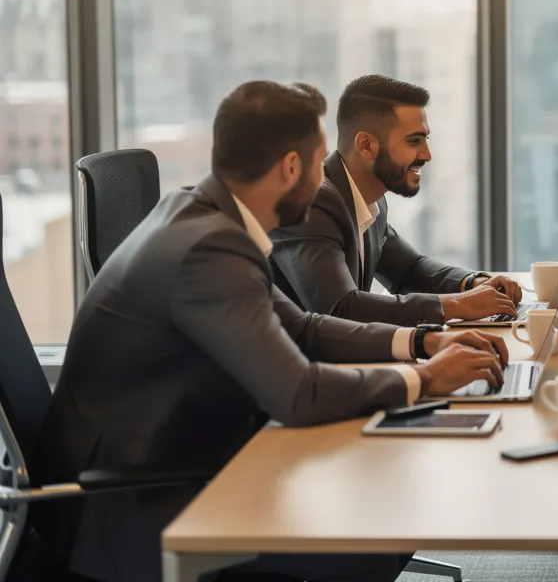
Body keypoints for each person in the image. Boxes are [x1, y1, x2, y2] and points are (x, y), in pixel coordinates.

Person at [34, 81, 508, 582]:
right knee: (367, 538)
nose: (328, 178)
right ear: (289, 167)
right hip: (132, 503)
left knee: (378, 506)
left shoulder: (207, 215)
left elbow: (300, 327)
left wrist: (423, 342)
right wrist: (426, 379)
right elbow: (298, 394)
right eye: (320, 160)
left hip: (183, 455)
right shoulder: (207, 248)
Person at [271, 75, 521, 326]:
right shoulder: (313, 201)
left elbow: (408, 270)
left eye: (426, 139)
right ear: (366, 146)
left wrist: (473, 283)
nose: (427, 155)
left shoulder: (370, 200)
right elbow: (340, 309)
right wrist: (457, 305)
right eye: (414, 141)